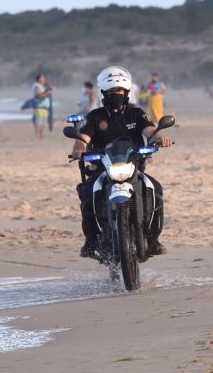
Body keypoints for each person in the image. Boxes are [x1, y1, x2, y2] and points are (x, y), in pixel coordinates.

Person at [69, 66, 172, 260]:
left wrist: (160, 137)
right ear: (104, 93)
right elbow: (83, 138)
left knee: (156, 189)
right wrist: (78, 148)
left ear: (126, 93)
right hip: (102, 169)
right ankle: (90, 241)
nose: (115, 95)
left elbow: (150, 130)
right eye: (111, 92)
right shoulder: (95, 116)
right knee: (87, 193)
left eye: (119, 91)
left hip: (133, 165)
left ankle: (153, 239)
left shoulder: (136, 113)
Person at [29, 72, 51, 139]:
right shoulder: (37, 86)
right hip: (39, 107)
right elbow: (40, 95)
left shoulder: (41, 86)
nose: (44, 79)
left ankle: (40, 135)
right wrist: (47, 93)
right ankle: (37, 135)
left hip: (43, 107)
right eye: (42, 78)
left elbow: (50, 88)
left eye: (44, 78)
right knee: (38, 122)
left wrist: (47, 83)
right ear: (38, 79)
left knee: (43, 122)